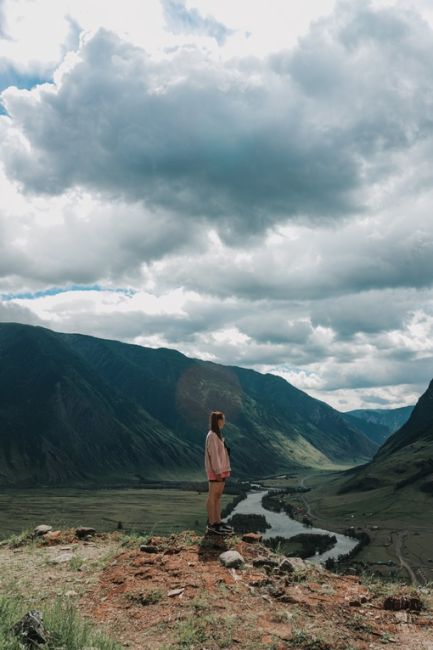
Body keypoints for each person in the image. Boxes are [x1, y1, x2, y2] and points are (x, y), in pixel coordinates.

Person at [204, 410, 234, 535]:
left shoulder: (217, 435)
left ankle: (217, 521)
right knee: (212, 496)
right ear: (218, 421)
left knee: (217, 496)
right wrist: (217, 471)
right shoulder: (211, 436)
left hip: (221, 470)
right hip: (216, 471)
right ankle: (211, 524)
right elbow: (214, 455)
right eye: (223, 419)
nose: (224, 422)